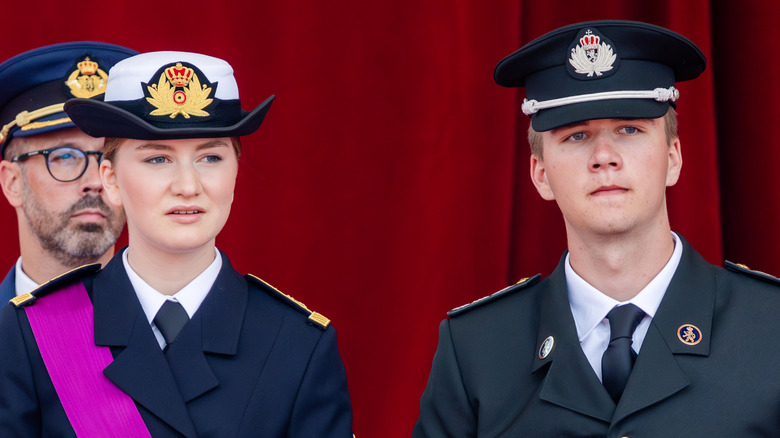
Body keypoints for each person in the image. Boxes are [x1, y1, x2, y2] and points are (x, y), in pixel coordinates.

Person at [413, 20, 780, 437]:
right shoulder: (476, 349)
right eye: (576, 135)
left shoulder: (772, 328)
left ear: (673, 157)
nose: (604, 157)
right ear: (540, 174)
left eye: (629, 130)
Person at [0, 51, 353, 437]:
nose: (188, 186)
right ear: (111, 179)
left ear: (236, 171)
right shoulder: (31, 333)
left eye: (211, 157)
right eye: (158, 160)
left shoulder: (298, 344)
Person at [0, 42, 136, 302]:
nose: (96, 180)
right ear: (12, 182)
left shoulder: (174, 331)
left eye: (108, 158)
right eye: (64, 156)